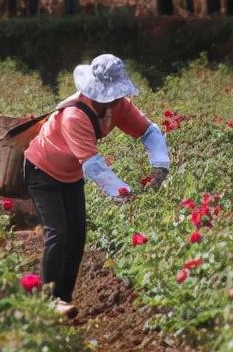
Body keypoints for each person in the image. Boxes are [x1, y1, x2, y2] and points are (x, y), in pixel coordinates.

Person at [23, 54, 170, 316]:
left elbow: (150, 131)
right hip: (42, 171)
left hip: (69, 173)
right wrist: (124, 192)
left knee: (77, 234)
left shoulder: (119, 106)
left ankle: (63, 298)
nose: (115, 99)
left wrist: (160, 165)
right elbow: (93, 164)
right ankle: (47, 300)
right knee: (59, 231)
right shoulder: (74, 116)